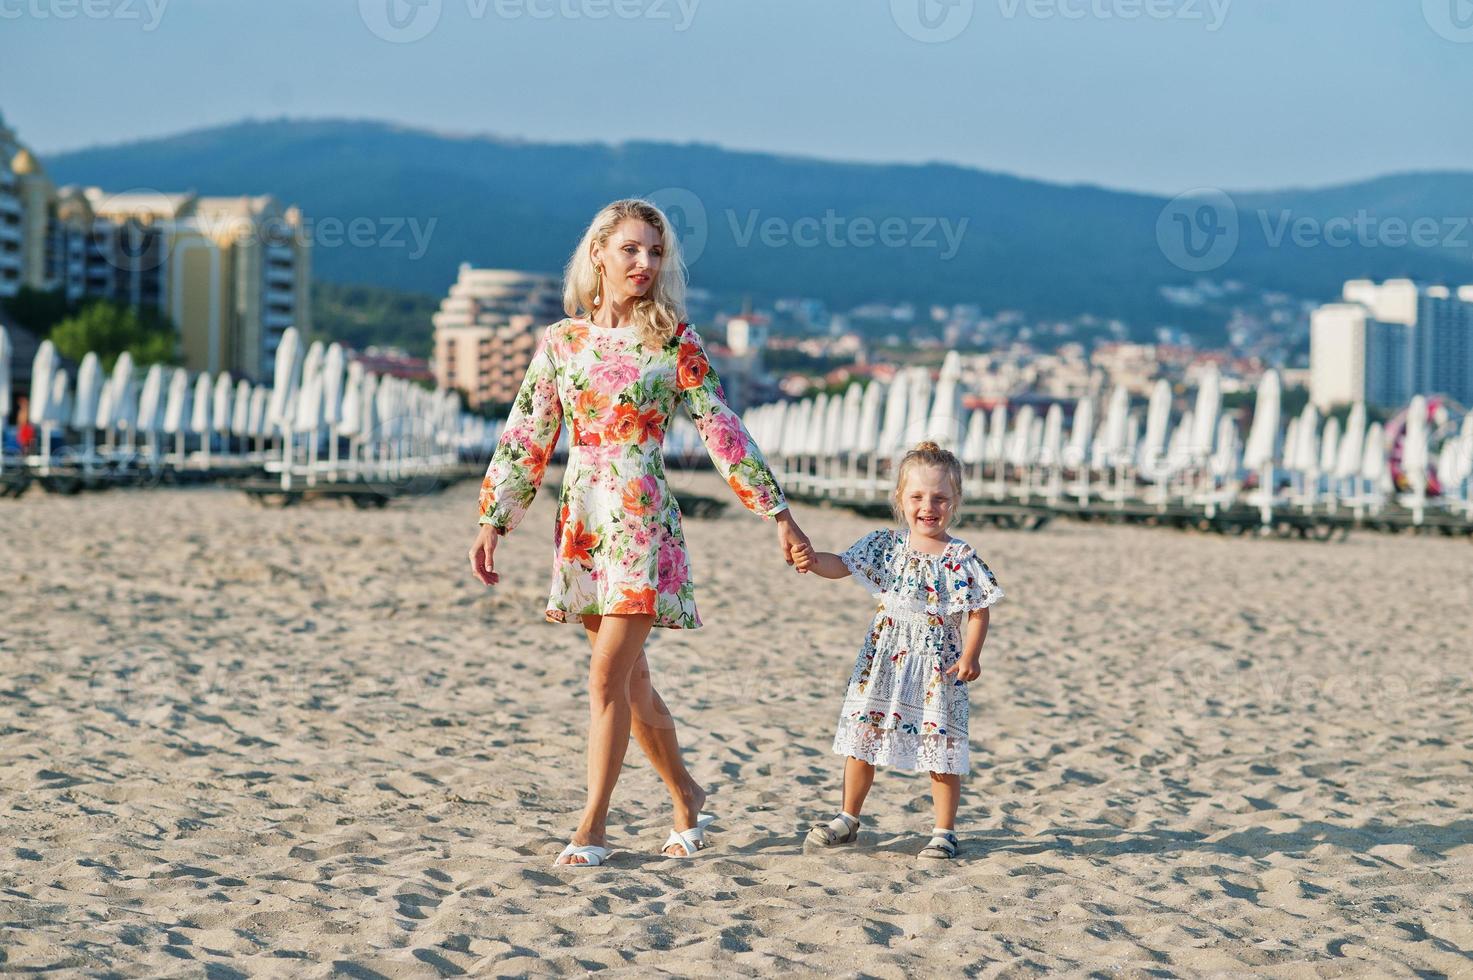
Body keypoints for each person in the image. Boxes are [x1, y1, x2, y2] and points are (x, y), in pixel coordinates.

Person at [467, 198, 814, 867]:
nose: (644, 263)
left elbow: (722, 429)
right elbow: (526, 435)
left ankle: (591, 826)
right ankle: (686, 795)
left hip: (641, 522)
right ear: (598, 252)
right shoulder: (562, 343)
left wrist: (778, 513)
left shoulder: (674, 340)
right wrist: (494, 520)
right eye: (630, 249)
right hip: (584, 524)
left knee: (603, 680)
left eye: (655, 252)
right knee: (630, 684)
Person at [792, 440, 1004, 860]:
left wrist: (971, 655)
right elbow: (843, 565)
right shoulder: (885, 546)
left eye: (940, 498)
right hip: (883, 660)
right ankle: (848, 817)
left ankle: (944, 830)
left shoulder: (960, 558)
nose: (929, 506)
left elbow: (979, 609)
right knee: (862, 738)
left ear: (955, 502)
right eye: (918, 497)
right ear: (900, 500)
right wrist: (813, 560)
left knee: (940, 746)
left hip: (937, 667)